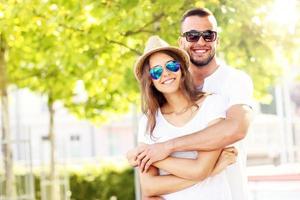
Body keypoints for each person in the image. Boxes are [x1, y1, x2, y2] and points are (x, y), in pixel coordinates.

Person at [128, 7, 253, 200]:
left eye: (208, 35)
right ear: (182, 41)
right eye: (192, 35)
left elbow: (235, 128)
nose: (201, 41)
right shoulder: (150, 119)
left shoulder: (228, 87)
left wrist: (159, 151)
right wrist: (212, 169)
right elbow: (149, 188)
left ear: (217, 39)